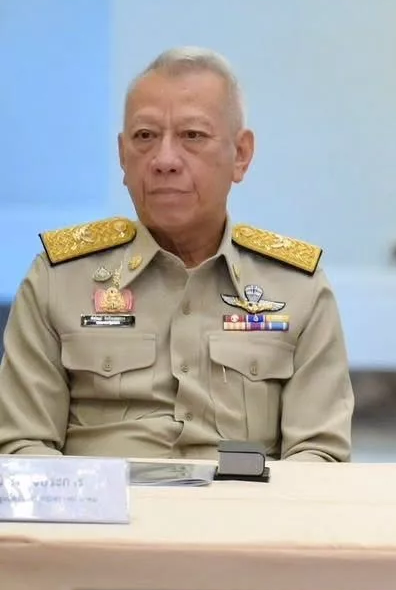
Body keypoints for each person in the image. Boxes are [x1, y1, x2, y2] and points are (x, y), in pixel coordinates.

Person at [0, 48, 352, 461]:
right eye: (145, 137)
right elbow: (21, 445)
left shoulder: (297, 288)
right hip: (104, 501)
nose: (164, 160)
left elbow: (318, 455)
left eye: (192, 136)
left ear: (241, 155)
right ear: (122, 155)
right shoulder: (59, 280)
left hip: (243, 501)